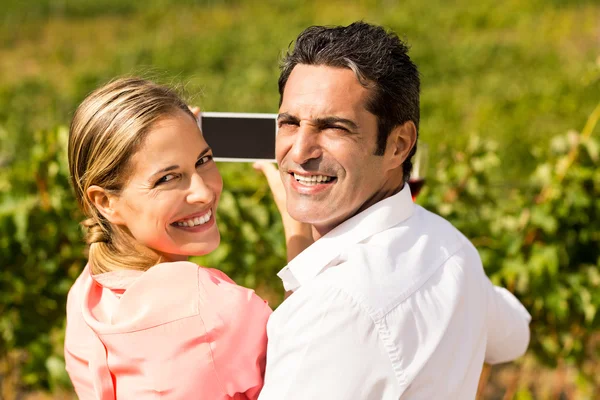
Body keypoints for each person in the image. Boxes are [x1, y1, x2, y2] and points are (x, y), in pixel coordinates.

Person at [254, 22, 532, 399]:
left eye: (333, 128)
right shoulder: (451, 246)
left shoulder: (334, 308)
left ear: (399, 145)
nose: (300, 151)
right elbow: (515, 338)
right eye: (289, 123)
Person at [63, 77, 272, 399]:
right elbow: (312, 368)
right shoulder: (216, 310)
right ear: (105, 202)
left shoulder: (85, 296)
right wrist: (298, 225)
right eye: (167, 178)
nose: (203, 193)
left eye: (203, 160)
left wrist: (174, 135)